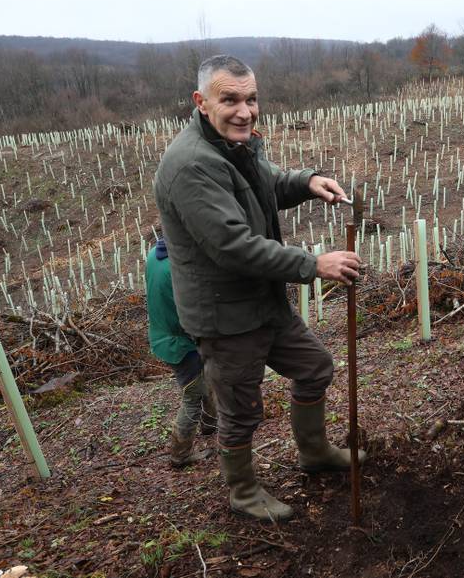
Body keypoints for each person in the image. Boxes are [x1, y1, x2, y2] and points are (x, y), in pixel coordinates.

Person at [154, 55, 365, 523]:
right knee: (241, 409)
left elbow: (263, 184)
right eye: (229, 99)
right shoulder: (191, 165)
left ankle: (313, 453)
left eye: (251, 99)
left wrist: (307, 182)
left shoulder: (235, 145)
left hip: (263, 302)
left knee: (314, 367)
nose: (244, 111)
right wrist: (314, 264)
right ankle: (243, 491)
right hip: (224, 315)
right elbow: (234, 246)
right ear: (201, 102)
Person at [145, 235, 217, 468]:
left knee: (204, 379)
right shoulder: (177, 270)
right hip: (179, 343)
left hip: (163, 336)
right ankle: (180, 454)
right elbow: (189, 313)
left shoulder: (153, 255)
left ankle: (211, 423)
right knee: (193, 395)